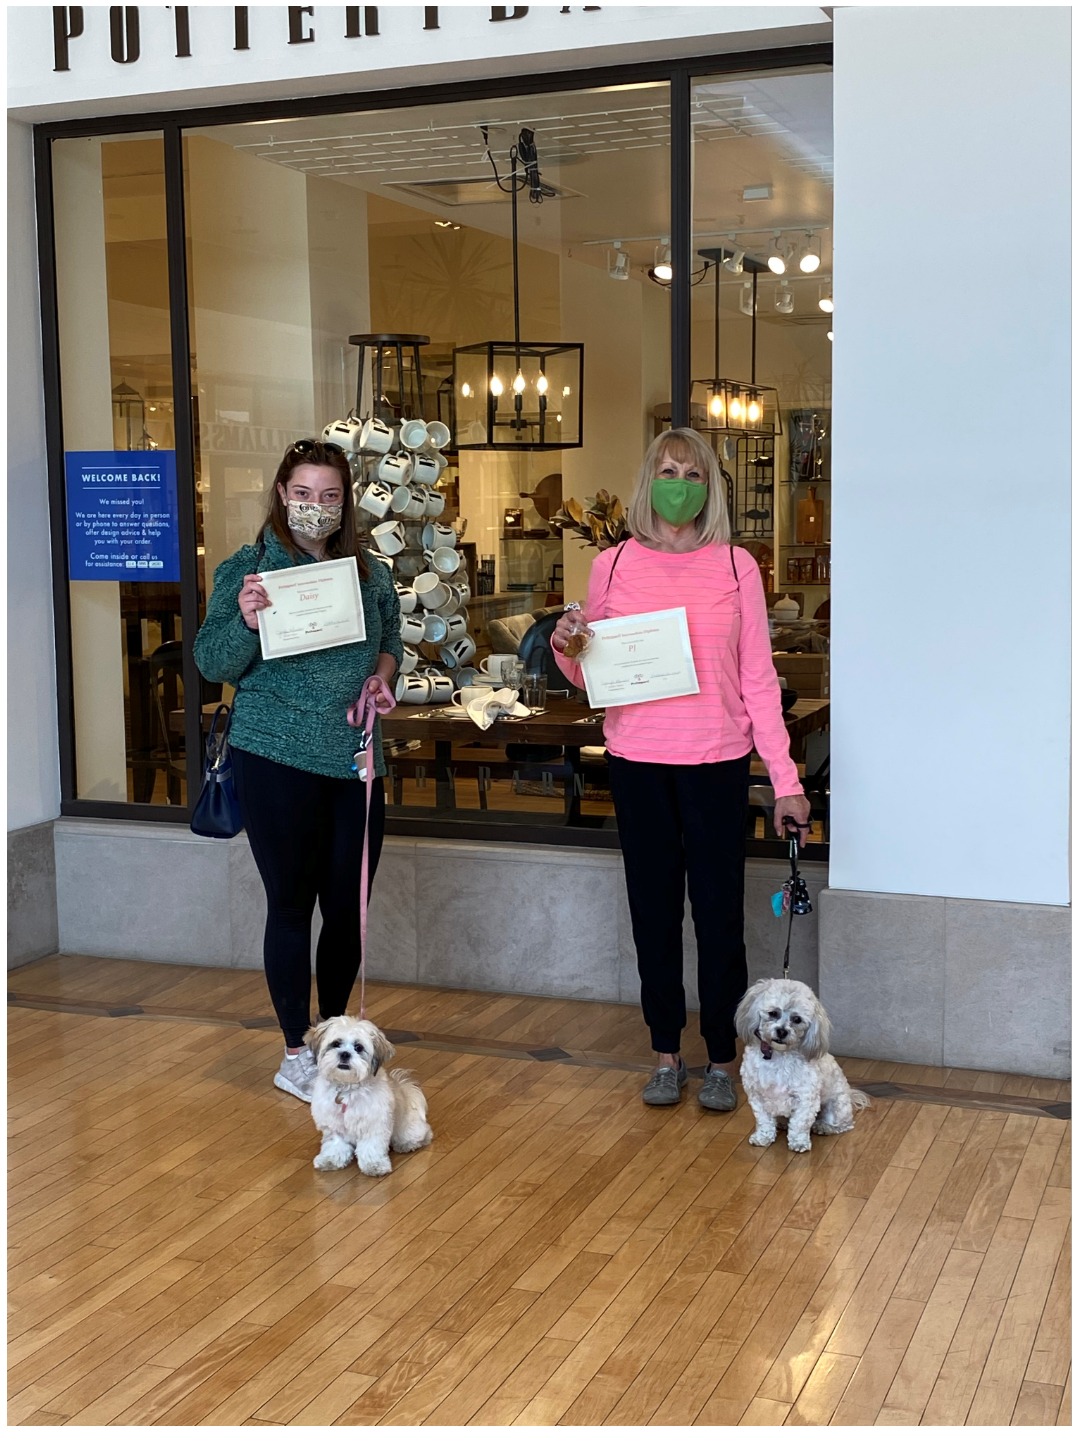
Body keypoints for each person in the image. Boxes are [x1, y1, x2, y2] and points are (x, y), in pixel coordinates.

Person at [552, 428, 811, 1110]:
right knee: (653, 914)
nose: (678, 483)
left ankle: (723, 1057)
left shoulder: (736, 567)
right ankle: (664, 1051)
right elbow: (588, 669)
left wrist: (785, 780)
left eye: (692, 474)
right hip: (637, 764)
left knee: (720, 918)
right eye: (667, 470)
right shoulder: (611, 566)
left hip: (715, 764)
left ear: (710, 487)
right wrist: (564, 644)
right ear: (648, 480)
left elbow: (758, 679)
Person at [194, 439, 402, 1102]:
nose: (316, 506)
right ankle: (293, 1050)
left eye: (330, 495)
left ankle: (330, 1032)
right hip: (274, 757)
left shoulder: (369, 574)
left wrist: (381, 680)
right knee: (291, 904)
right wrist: (248, 620)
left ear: (346, 503)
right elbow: (212, 662)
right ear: (283, 493)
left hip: (353, 761)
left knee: (347, 911)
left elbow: (390, 643)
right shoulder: (247, 570)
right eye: (304, 493)